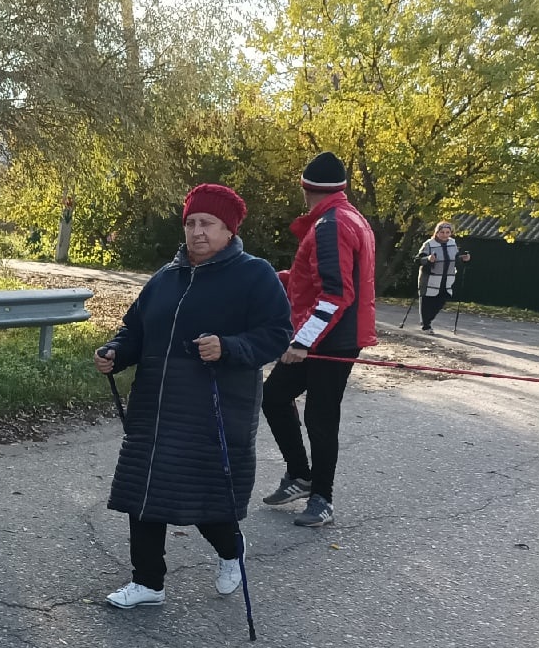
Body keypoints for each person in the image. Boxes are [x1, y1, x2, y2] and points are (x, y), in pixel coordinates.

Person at [96, 184, 292, 609]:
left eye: (208, 223)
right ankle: (148, 582)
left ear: (228, 229)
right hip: (155, 405)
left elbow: (278, 334)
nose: (197, 232)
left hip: (216, 409)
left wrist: (229, 347)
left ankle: (231, 552)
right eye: (191, 223)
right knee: (145, 491)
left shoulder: (253, 275)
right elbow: (135, 329)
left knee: (204, 497)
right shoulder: (166, 278)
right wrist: (116, 352)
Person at [259, 151, 377, 528]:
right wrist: (272, 279)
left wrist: (302, 342)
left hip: (332, 341)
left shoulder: (332, 224)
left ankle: (322, 498)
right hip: (325, 334)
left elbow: (335, 294)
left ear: (306, 188)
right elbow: (310, 275)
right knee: (274, 397)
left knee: (320, 418)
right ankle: (300, 476)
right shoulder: (346, 217)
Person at [415, 220, 470, 332]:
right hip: (430, 278)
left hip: (446, 279)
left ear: (450, 233)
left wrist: (464, 259)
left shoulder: (452, 243)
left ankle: (428, 321)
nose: (445, 235)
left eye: (447, 232)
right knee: (427, 301)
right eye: (442, 232)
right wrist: (428, 259)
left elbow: (454, 259)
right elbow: (417, 260)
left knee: (441, 301)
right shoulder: (429, 244)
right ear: (437, 232)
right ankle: (426, 325)